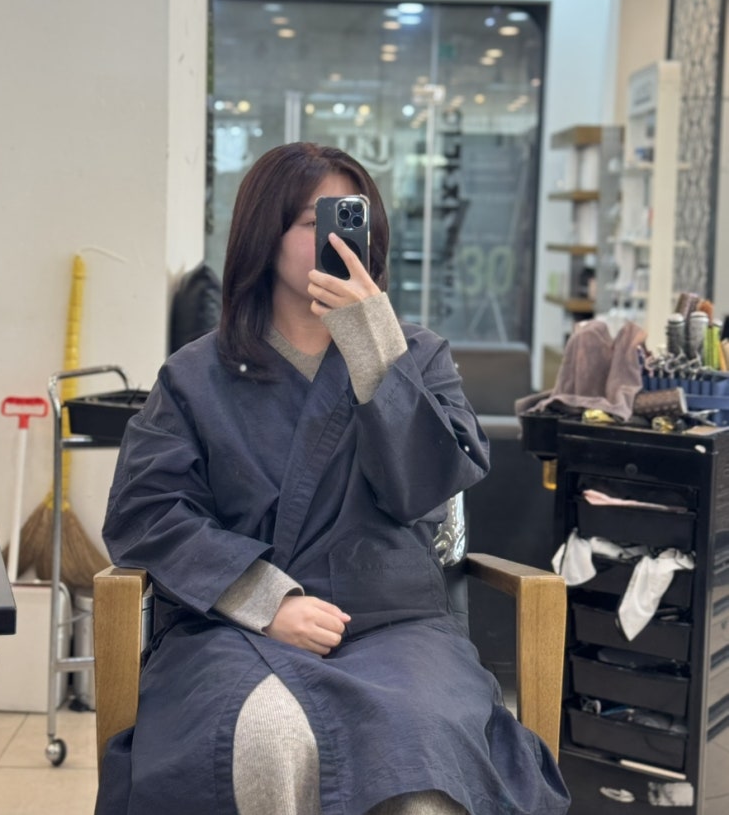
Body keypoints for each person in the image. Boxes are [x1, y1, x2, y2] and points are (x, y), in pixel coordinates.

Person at [96, 142, 570, 815]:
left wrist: (373, 344)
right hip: (234, 631)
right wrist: (264, 600)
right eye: (312, 220)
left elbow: (427, 486)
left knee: (420, 763)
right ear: (264, 237)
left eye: (355, 216)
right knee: (264, 739)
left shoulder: (418, 354)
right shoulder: (196, 374)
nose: (342, 236)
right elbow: (146, 511)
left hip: (394, 625)